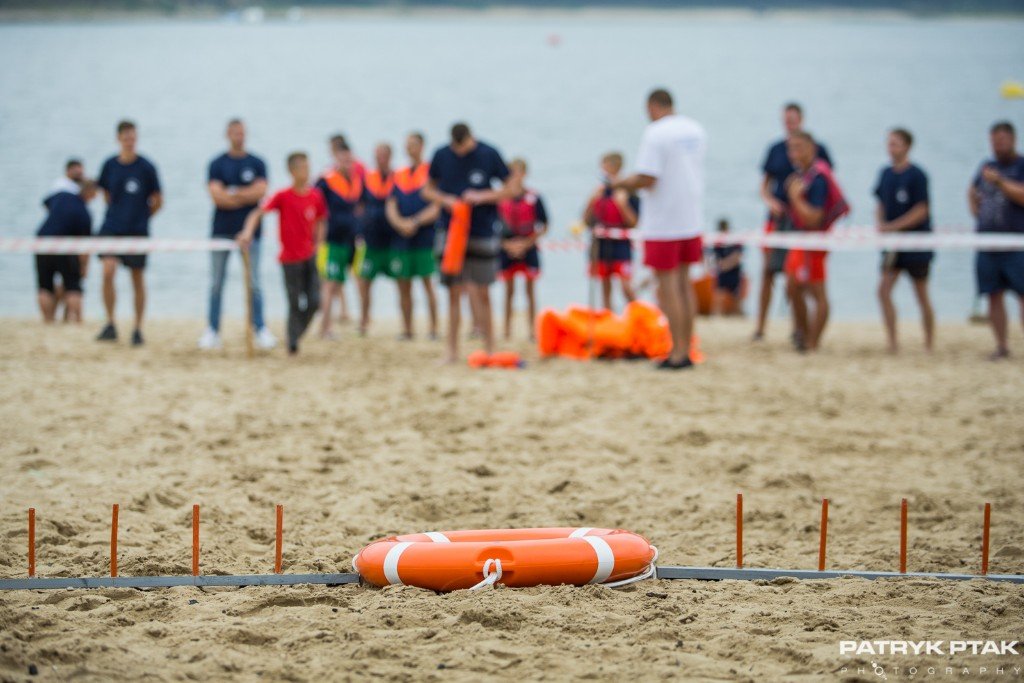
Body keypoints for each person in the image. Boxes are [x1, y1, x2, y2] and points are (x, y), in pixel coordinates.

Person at [611, 88, 707, 370]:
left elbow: (647, 178)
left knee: (668, 288)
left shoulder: (656, 133)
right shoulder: (695, 129)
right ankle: (686, 348)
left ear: (652, 107)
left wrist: (620, 183)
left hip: (665, 221)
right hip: (691, 217)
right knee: (685, 285)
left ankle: (677, 352)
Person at [423, 122, 519, 363]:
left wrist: (483, 196)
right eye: (456, 148)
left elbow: (512, 188)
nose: (460, 152)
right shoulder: (442, 154)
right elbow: (427, 190)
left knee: (483, 291)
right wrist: (445, 200)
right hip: (450, 231)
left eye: (463, 147)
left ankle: (490, 349)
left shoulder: (488, 153)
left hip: (481, 230)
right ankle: (451, 352)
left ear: (471, 138)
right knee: (453, 293)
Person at [754, 103, 833, 342]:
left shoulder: (817, 159)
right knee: (772, 273)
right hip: (780, 218)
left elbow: (825, 189)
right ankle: (762, 328)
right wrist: (771, 201)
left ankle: (803, 334)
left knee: (803, 282)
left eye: (793, 119)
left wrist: (798, 200)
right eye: (786, 119)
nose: (789, 123)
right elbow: (764, 184)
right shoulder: (777, 149)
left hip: (806, 224)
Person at [237, 152, 326, 356]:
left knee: (315, 300)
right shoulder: (283, 196)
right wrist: (248, 232)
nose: (306, 172)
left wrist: (319, 243)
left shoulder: (315, 196)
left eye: (307, 167)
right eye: (302, 168)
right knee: (294, 302)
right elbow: (257, 213)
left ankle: (295, 334)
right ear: (292, 171)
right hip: (290, 259)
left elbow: (321, 219)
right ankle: (292, 341)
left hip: (309, 255)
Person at [199, 119, 275, 351]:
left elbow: (261, 193)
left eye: (241, 133)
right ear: (227, 135)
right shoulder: (217, 164)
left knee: (255, 283)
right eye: (234, 133)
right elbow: (216, 196)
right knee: (216, 283)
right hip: (221, 231)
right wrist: (244, 196)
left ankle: (260, 328)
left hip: (251, 233)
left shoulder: (257, 163)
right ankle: (213, 329)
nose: (238, 137)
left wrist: (231, 193)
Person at [96, 120, 162, 346]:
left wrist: (142, 217)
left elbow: (158, 200)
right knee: (108, 270)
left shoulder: (146, 167)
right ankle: (110, 322)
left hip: (137, 230)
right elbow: (105, 194)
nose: (130, 141)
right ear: (119, 139)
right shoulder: (109, 165)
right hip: (112, 227)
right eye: (126, 138)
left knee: (137, 277)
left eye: (132, 137)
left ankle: (137, 328)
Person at [782, 131, 849, 352]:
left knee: (817, 291)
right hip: (803, 239)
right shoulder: (803, 175)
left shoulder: (817, 178)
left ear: (811, 148)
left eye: (798, 147)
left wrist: (795, 198)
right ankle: (802, 334)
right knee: (793, 286)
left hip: (815, 240)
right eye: (791, 148)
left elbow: (814, 218)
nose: (794, 152)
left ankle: (812, 341)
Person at [875, 128, 934, 353]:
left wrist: (893, 227)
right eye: (889, 143)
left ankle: (928, 343)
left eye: (895, 144)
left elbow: (921, 210)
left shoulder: (917, 175)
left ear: (907, 146)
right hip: (893, 245)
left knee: (921, 293)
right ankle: (892, 342)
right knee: (883, 291)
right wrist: (881, 224)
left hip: (916, 244)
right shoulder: (885, 174)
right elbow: (880, 203)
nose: (891, 148)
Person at [969, 121, 1024, 360]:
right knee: (993, 295)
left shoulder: (1020, 166)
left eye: (1001, 140)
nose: (997, 145)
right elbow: (972, 190)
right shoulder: (987, 166)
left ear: (1013, 140)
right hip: (989, 243)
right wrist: (976, 210)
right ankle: (1002, 346)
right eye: (994, 141)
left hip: (1017, 243)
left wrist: (1000, 182)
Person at [386, 132, 440, 340]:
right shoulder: (399, 174)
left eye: (413, 144)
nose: (410, 148)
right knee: (403, 285)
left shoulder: (431, 173)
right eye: (407, 145)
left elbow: (437, 206)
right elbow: (391, 204)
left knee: (428, 284)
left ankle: (433, 329)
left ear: (422, 146)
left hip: (424, 237)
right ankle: (407, 329)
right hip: (401, 238)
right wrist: (400, 223)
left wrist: (415, 222)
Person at [315, 136, 362, 339]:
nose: (347, 163)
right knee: (330, 283)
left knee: (342, 281)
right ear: (336, 159)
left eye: (349, 160)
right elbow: (315, 205)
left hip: (350, 240)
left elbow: (361, 206)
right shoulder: (326, 181)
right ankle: (325, 327)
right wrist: (317, 238)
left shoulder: (357, 181)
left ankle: (352, 318)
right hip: (332, 239)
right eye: (343, 159)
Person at [498, 158, 548, 340]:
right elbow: (492, 225)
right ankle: (506, 330)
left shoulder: (533, 197)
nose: (514, 176)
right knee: (508, 291)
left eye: (517, 172)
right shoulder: (500, 197)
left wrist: (526, 244)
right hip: (507, 248)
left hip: (528, 247)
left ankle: (532, 330)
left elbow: (544, 225)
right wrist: (507, 245)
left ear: (524, 174)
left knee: (530, 291)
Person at [35, 178, 97, 323]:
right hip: (65, 246)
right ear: (89, 192)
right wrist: (84, 266)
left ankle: (48, 320)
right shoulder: (84, 213)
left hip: (42, 241)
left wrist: (58, 216)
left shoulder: (61, 195)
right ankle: (76, 319)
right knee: (73, 286)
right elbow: (85, 246)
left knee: (45, 286)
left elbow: (46, 204)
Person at [583, 152, 638, 311]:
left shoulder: (628, 191)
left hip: (621, 244)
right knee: (605, 287)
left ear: (616, 168)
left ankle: (639, 314)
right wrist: (591, 201)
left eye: (606, 167)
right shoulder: (600, 192)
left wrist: (622, 205)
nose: (603, 171)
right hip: (601, 243)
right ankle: (609, 317)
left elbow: (634, 223)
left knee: (626, 286)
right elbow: (586, 220)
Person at [356, 143, 395, 336]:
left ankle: (407, 326)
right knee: (364, 281)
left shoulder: (397, 178)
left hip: (393, 239)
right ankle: (364, 320)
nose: (380, 159)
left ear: (390, 156)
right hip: (371, 239)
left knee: (403, 282)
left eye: (383, 155)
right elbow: (359, 205)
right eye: (377, 155)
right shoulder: (368, 178)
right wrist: (359, 231)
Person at [712, 219, 744, 316]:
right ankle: (716, 316)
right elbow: (715, 258)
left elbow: (738, 257)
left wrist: (725, 264)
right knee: (719, 296)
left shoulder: (734, 240)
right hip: (724, 272)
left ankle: (737, 315)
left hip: (733, 272)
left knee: (736, 298)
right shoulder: (718, 242)